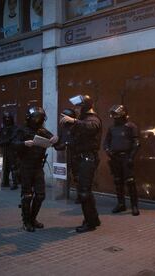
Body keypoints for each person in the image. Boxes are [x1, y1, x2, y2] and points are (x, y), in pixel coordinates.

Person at [12, 106, 58, 232]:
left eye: (40, 118)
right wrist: (23, 144)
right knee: (27, 195)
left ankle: (32, 219)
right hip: (25, 166)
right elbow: (12, 144)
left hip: (38, 166)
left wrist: (56, 139)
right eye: (36, 118)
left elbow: (57, 144)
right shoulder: (21, 130)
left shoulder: (42, 130)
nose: (38, 120)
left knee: (40, 195)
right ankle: (26, 222)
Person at [60, 94, 102, 233]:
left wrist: (73, 121)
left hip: (87, 159)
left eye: (78, 106)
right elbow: (74, 138)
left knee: (84, 193)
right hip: (80, 158)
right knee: (85, 192)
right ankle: (93, 219)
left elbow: (91, 127)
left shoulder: (93, 119)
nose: (75, 109)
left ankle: (89, 223)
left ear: (84, 107)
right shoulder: (81, 119)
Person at [103, 105, 140, 216]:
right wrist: (107, 150)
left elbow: (136, 143)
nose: (114, 118)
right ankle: (121, 204)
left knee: (130, 182)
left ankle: (134, 205)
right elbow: (106, 142)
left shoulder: (131, 126)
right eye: (113, 116)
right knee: (118, 181)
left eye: (116, 115)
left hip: (126, 157)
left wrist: (131, 157)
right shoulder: (112, 128)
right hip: (115, 157)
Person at [55, 108, 81, 202]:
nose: (61, 118)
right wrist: (56, 144)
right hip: (63, 154)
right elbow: (60, 139)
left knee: (77, 175)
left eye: (63, 117)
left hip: (74, 154)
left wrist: (66, 144)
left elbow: (77, 141)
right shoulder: (62, 127)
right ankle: (64, 193)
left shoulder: (76, 127)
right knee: (64, 175)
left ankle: (79, 195)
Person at [0, 111, 20, 190]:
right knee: (5, 166)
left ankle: (15, 183)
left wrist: (1, 143)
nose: (7, 120)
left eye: (8, 118)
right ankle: (5, 181)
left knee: (13, 167)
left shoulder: (14, 128)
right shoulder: (3, 129)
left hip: (12, 149)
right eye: (5, 118)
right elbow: (0, 137)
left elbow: (11, 139)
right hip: (5, 150)